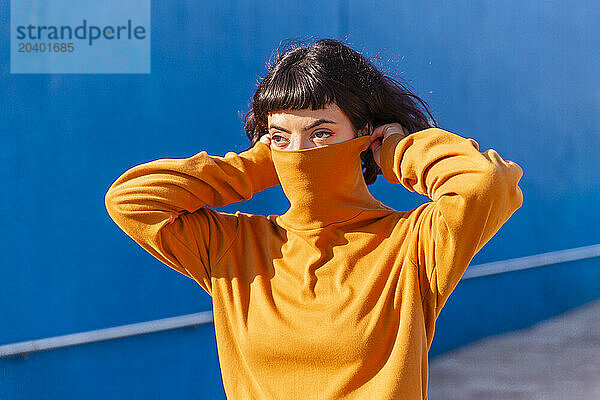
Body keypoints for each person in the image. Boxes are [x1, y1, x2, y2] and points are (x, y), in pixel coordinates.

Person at [104, 38, 524, 399]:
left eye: (321, 133)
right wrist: (256, 165)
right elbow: (131, 200)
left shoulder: (412, 244)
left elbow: (485, 184)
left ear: (364, 136)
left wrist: (396, 150)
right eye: (281, 136)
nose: (301, 153)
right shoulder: (234, 246)